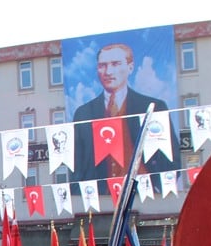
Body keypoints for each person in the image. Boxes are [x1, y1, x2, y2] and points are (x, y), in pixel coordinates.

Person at [73, 42, 180, 181]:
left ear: (130, 67)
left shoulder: (153, 107)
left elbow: (173, 161)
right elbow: (76, 167)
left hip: (145, 196)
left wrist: (157, 187)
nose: (108, 72)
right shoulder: (83, 113)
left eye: (115, 64)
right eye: (102, 65)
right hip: (101, 199)